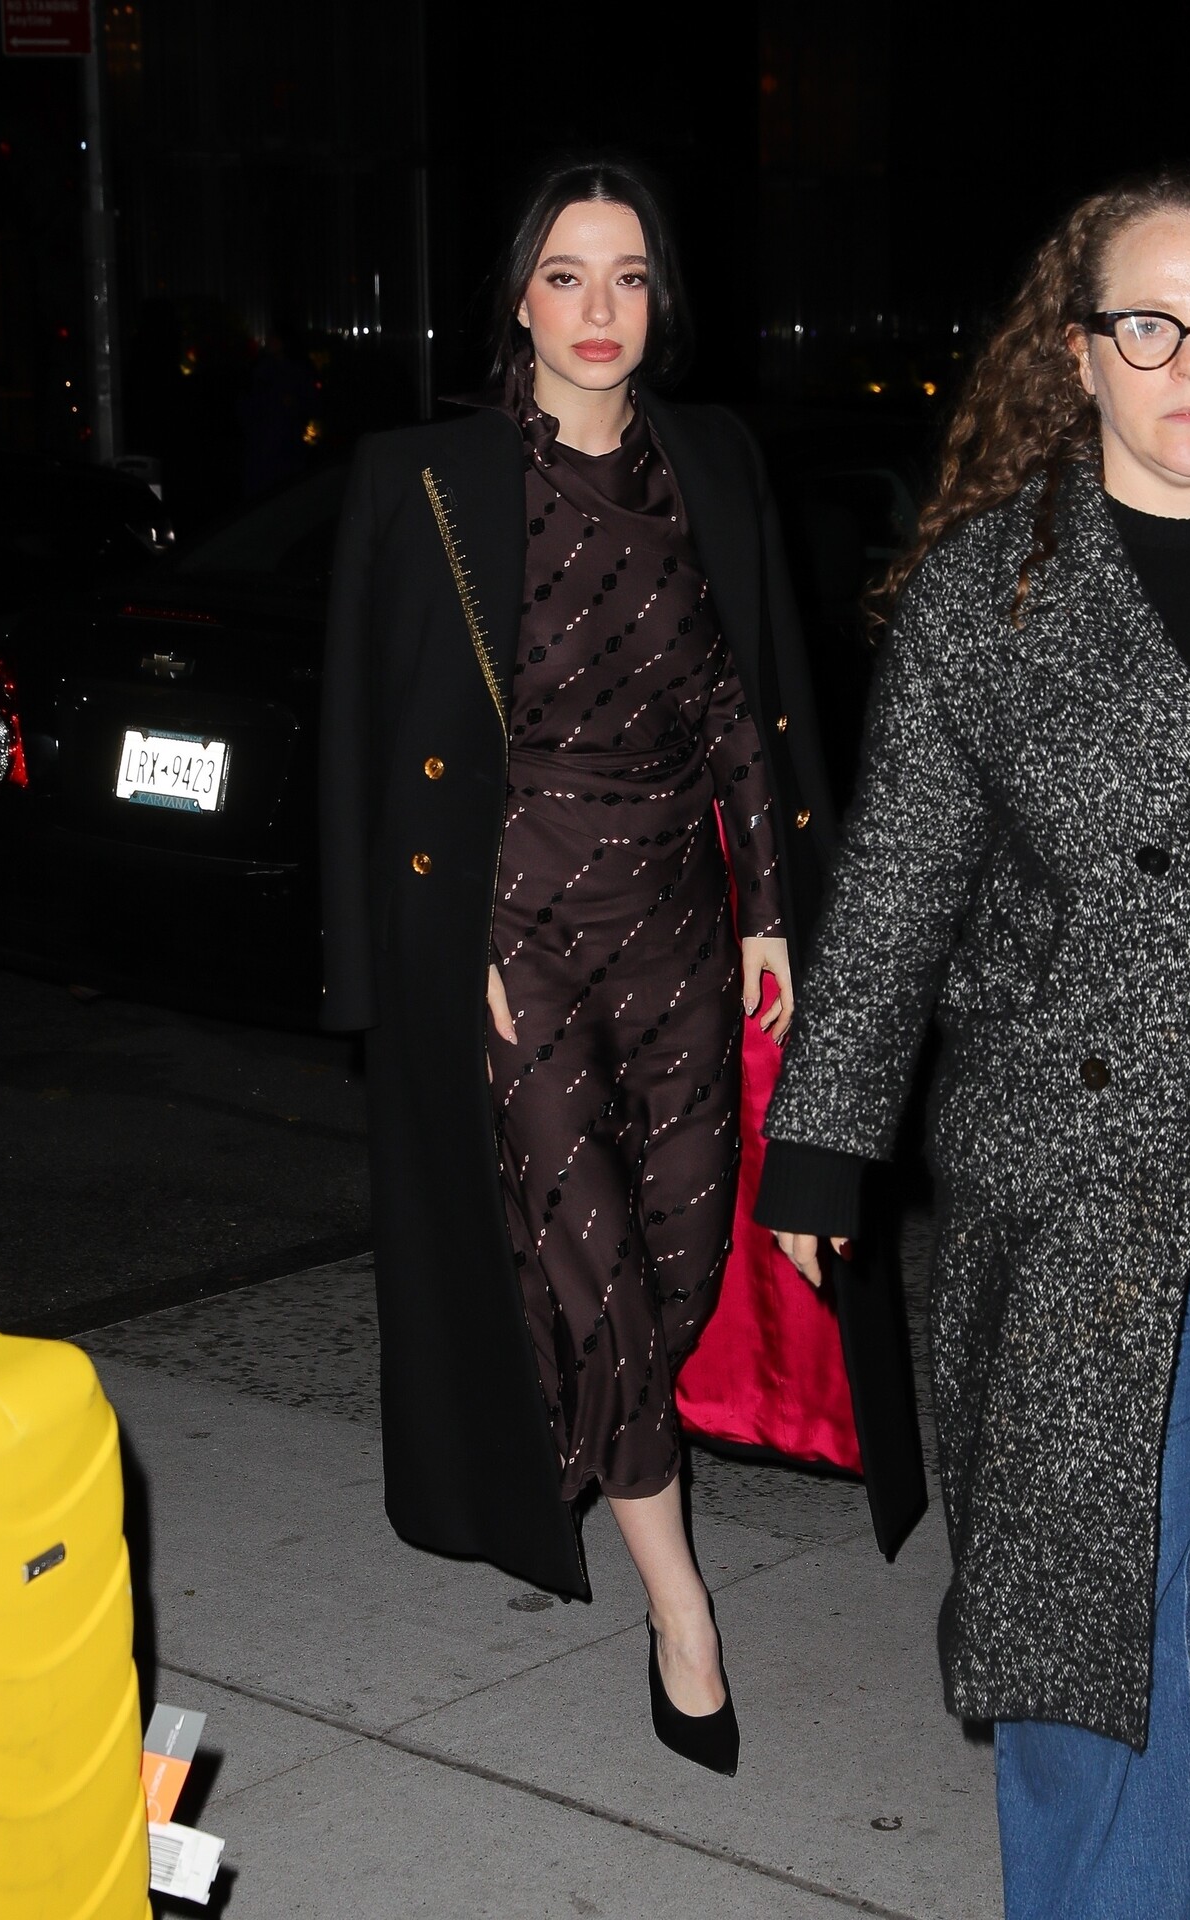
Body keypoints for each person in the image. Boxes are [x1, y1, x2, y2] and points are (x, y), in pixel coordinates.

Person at [319, 156, 922, 1773]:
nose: (601, 309)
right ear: (517, 298)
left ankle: (570, 1422)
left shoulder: (709, 461)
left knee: (678, 1256)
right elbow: (366, 741)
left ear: (662, 300)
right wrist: (415, 957)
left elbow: (748, 701)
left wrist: (774, 912)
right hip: (514, 932)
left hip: (679, 921)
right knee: (592, 1258)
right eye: (568, 275)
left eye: (631, 276)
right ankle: (683, 1613)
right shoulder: (424, 477)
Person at [755, 162, 1190, 1916]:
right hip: (1065, 1174)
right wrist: (822, 1143)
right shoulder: (993, 593)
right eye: (1150, 323)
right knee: (1088, 1640)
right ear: (1081, 350)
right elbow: (901, 878)